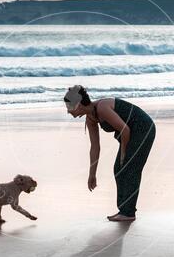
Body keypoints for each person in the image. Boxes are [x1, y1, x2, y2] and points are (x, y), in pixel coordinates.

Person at [64, 85, 156, 222]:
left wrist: (124, 153)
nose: (68, 111)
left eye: (69, 107)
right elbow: (95, 147)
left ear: (78, 104)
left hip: (143, 128)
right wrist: (92, 174)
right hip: (131, 133)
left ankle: (128, 212)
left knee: (129, 168)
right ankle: (124, 210)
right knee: (119, 169)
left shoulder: (102, 107)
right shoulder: (90, 118)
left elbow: (125, 130)